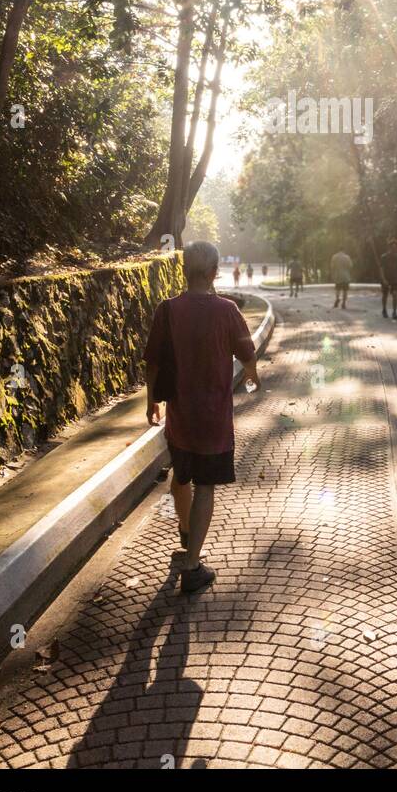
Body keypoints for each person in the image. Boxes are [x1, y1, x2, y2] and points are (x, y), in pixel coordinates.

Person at [144, 240, 260, 594]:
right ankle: (192, 566)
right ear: (213, 273)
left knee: (181, 475)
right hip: (213, 421)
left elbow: (153, 361)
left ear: (184, 271)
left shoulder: (167, 310)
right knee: (204, 487)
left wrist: (151, 402)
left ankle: (185, 530)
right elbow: (247, 352)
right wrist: (253, 377)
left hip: (180, 417)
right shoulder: (226, 310)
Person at [379, 238, 397, 319]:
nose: (394, 249)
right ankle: (384, 309)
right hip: (386, 278)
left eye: (395, 247)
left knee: (395, 294)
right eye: (392, 247)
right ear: (389, 248)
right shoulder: (384, 257)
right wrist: (383, 279)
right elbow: (381, 268)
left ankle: (394, 312)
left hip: (395, 280)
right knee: (385, 295)